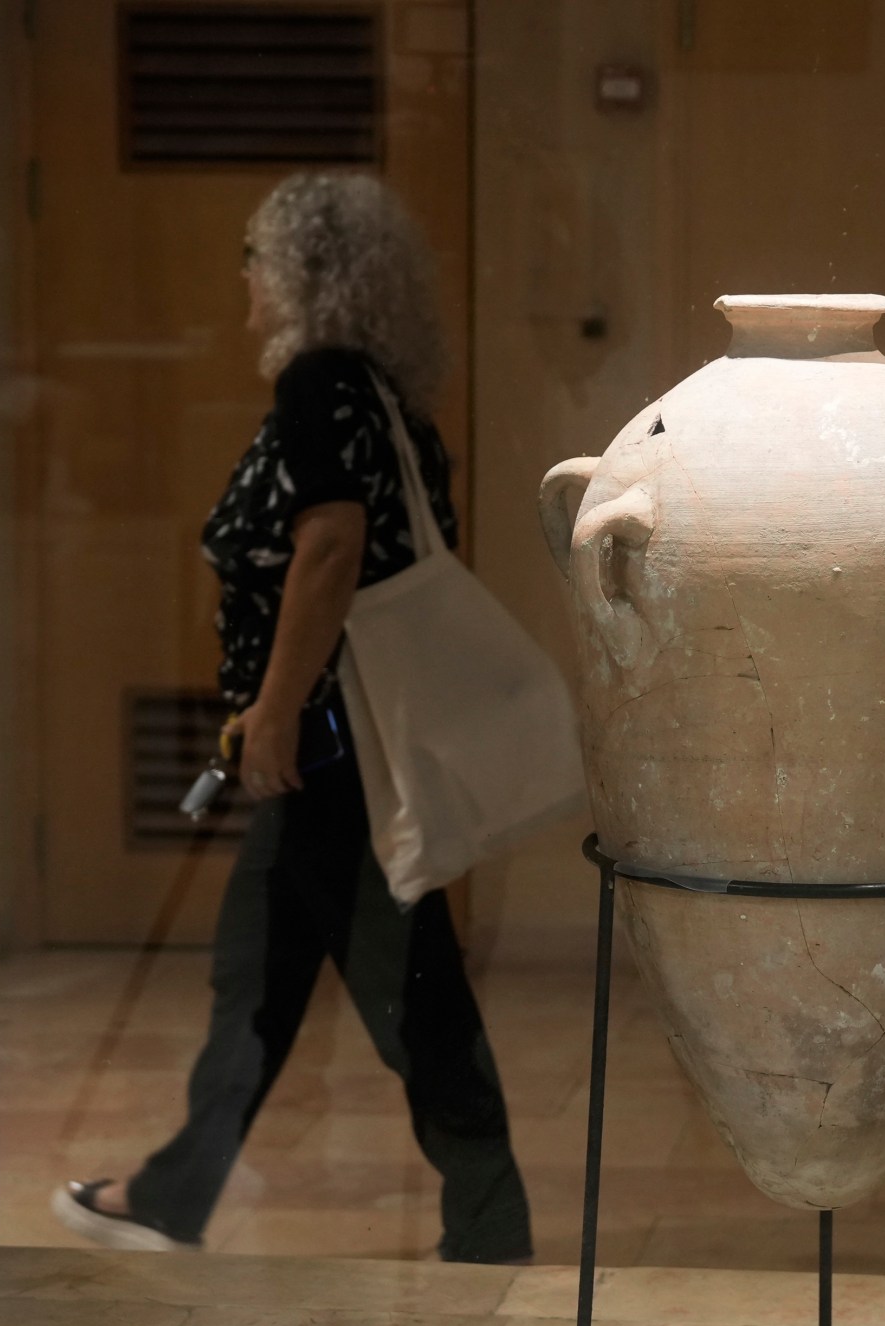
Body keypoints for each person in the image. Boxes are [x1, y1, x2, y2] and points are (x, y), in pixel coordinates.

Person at [52, 173, 533, 1264]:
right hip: (329, 750)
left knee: (414, 996)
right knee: (254, 977)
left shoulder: (322, 385)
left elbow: (331, 548)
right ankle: (176, 1193)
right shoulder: (385, 402)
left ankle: (492, 1226)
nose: (246, 281)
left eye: (258, 259)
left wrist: (271, 714)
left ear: (305, 276)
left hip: (332, 751)